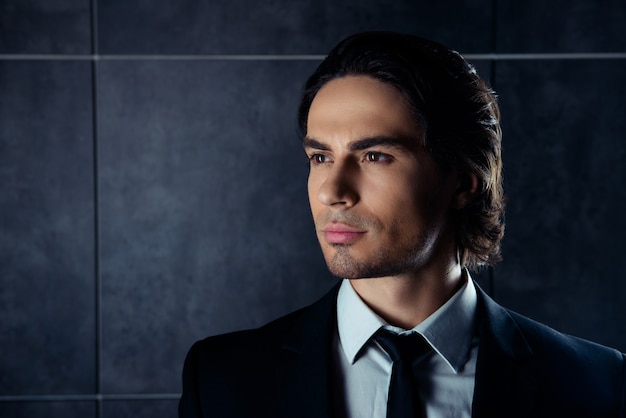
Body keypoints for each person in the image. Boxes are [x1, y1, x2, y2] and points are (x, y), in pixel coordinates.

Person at [179, 31, 626, 418]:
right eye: (320, 157)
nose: (332, 191)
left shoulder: (595, 383)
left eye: (375, 156)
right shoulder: (222, 380)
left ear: (463, 182)